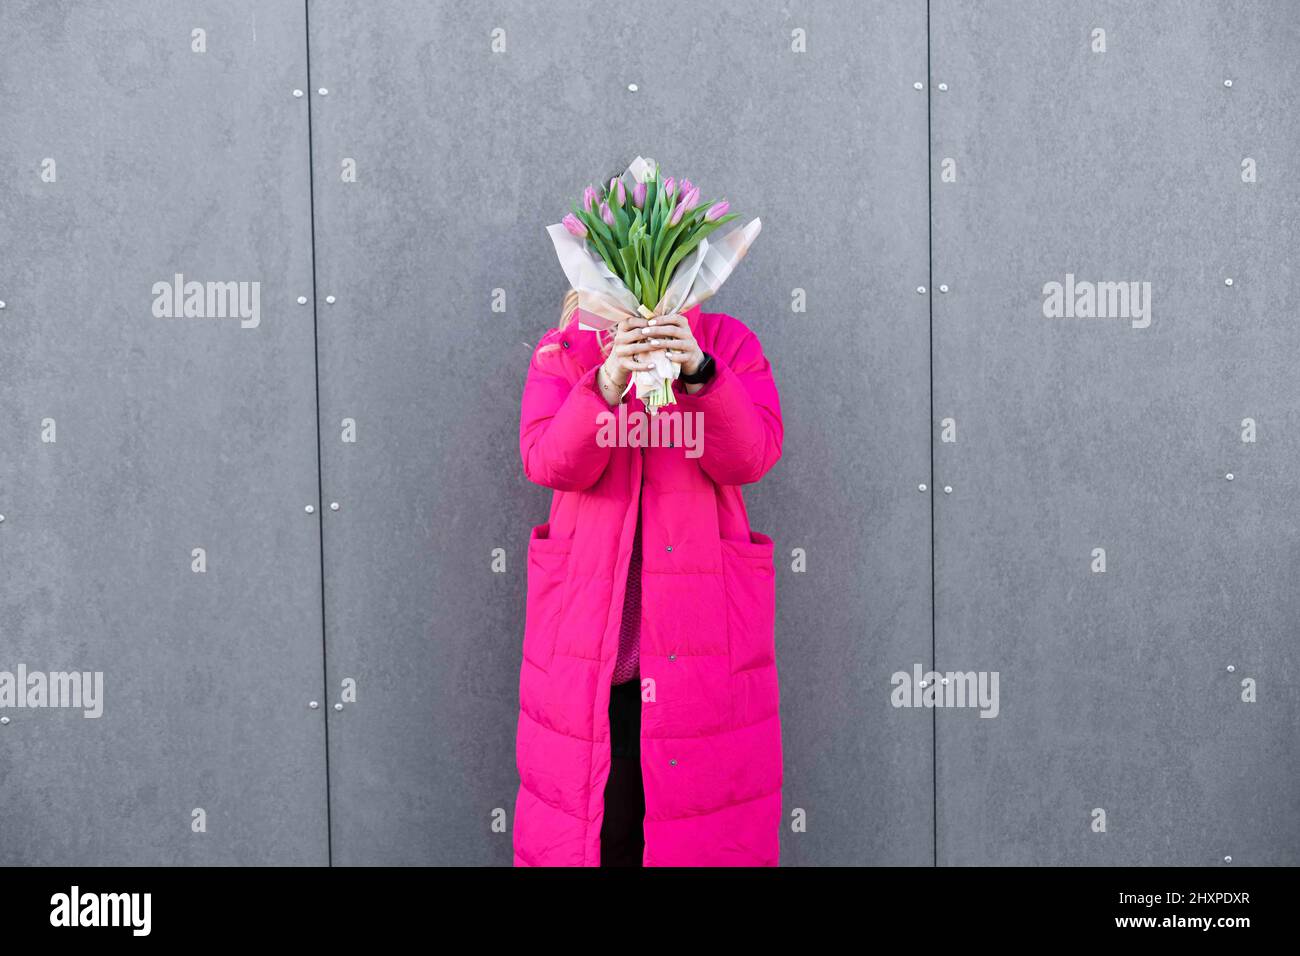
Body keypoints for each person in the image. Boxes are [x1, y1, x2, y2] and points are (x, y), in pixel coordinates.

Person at [512, 288, 784, 867]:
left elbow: (751, 456)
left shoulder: (726, 343)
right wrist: (606, 382)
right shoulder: (566, 348)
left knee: (695, 832)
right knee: (595, 834)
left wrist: (700, 373)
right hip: (591, 655)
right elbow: (548, 461)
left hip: (699, 648)